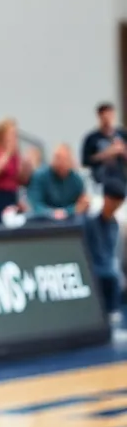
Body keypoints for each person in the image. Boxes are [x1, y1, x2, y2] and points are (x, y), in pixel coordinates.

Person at [84, 178, 123, 322]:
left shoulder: (115, 225)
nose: (115, 207)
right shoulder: (89, 222)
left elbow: (113, 254)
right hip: (93, 270)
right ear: (106, 199)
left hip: (109, 271)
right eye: (113, 202)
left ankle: (113, 313)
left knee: (114, 275)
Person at [82, 102, 127, 187]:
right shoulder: (91, 138)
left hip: (122, 179)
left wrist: (122, 150)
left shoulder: (123, 135)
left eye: (110, 116)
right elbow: (85, 161)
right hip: (100, 182)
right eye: (104, 117)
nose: (107, 121)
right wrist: (106, 154)